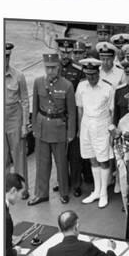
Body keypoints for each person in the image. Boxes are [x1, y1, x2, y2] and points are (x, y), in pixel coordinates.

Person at [28, 53, 76, 206]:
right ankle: (41, 193)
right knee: (42, 163)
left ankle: (63, 192)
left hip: (59, 128)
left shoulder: (67, 86)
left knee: (61, 163)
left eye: (53, 68)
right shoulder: (38, 83)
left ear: (58, 67)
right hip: (42, 127)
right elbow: (35, 107)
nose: (50, 71)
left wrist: (71, 133)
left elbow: (72, 112)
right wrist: (34, 127)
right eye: (47, 68)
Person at [75, 58, 115, 208]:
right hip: (86, 124)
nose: (90, 78)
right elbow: (80, 108)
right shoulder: (81, 86)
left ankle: (104, 192)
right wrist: (80, 129)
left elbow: (112, 111)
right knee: (92, 158)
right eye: (88, 74)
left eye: (93, 74)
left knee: (103, 159)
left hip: (102, 125)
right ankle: (96, 190)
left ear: (98, 72)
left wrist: (111, 131)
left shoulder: (107, 88)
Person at [54, 37, 85, 198]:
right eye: (62, 52)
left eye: (68, 52)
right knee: (60, 154)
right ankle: (62, 182)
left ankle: (76, 184)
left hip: (72, 117)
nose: (65, 55)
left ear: (72, 52)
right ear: (58, 51)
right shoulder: (53, 69)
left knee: (74, 154)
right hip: (57, 118)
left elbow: (81, 97)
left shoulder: (78, 71)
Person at [4, 43, 30, 200]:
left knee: (19, 156)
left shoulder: (18, 76)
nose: (4, 60)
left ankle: (22, 189)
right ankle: (6, 189)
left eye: (7, 57)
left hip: (15, 117)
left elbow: (25, 100)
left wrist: (24, 125)